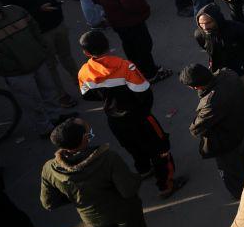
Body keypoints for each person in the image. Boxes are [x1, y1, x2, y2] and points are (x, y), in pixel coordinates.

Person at [40, 118, 167, 227]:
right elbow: (128, 189)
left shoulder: (50, 168)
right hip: (124, 210)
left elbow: (48, 202)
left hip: (93, 215)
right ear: (84, 139)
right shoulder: (107, 158)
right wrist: (136, 178)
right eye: (87, 132)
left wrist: (76, 197)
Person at [78, 30, 185, 199]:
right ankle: (166, 185)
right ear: (107, 44)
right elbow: (144, 92)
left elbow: (87, 95)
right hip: (140, 118)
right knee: (160, 149)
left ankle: (144, 170)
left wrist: (109, 100)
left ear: (86, 52)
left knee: (133, 147)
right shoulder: (125, 66)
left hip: (115, 119)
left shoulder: (85, 71)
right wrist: (142, 111)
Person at [0, 0, 78, 107]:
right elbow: (7, 15)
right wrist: (37, 10)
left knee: (67, 57)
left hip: (57, 22)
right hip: (37, 32)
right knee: (50, 66)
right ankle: (61, 96)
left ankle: (82, 83)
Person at [195, 3, 244, 141]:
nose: (205, 27)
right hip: (220, 74)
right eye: (201, 24)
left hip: (242, 70)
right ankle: (241, 122)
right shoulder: (200, 35)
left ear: (217, 19)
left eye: (208, 23)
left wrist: (242, 59)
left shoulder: (237, 29)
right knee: (230, 101)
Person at [180, 63, 244, 200]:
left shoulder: (212, 101)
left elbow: (196, 129)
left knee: (231, 174)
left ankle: (243, 197)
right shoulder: (228, 74)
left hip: (224, 142)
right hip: (239, 128)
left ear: (196, 86)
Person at [0, 2, 64, 136]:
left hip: (38, 61)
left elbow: (34, 28)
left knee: (49, 91)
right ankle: (45, 129)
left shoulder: (16, 10)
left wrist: (41, 48)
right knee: (32, 102)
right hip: (16, 73)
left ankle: (55, 118)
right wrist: (8, 66)